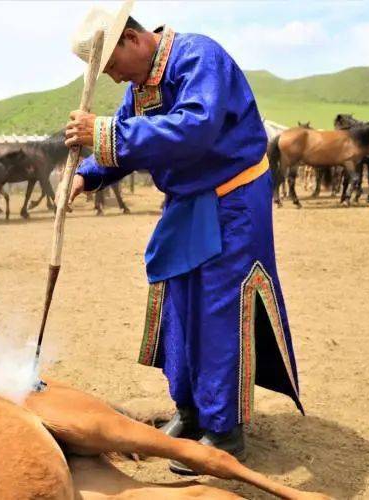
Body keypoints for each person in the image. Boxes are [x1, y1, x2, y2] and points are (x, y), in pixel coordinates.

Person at [65, 0, 303, 474]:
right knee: (180, 305)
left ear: (132, 39)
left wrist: (105, 132)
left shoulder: (198, 57)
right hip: (188, 205)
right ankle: (191, 411)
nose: (114, 78)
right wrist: (88, 175)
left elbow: (195, 128)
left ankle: (225, 431)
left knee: (219, 308)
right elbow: (130, 136)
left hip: (233, 200)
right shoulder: (142, 83)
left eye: (112, 66)